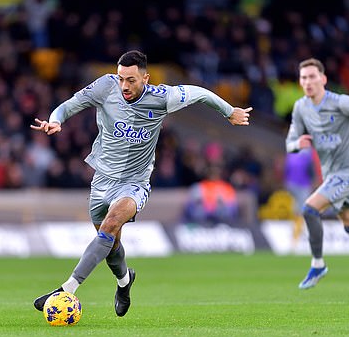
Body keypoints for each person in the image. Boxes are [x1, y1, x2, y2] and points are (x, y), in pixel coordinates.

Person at [31, 50, 252, 316]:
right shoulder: (105, 86)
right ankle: (124, 282)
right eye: (121, 78)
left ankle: (66, 289)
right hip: (102, 179)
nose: (124, 85)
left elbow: (201, 93)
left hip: (135, 182)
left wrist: (229, 112)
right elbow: (69, 105)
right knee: (110, 242)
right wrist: (55, 120)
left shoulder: (163, 98)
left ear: (145, 78)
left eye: (131, 80)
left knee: (111, 224)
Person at [286, 58, 349, 294]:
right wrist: (296, 144)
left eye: (313, 76)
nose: (308, 82)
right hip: (331, 175)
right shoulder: (301, 108)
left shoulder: (340, 102)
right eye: (304, 78)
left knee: (309, 209)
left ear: (323, 79)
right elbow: (290, 142)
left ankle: (318, 265)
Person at [283, 147, 321, 251]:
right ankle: (296, 239)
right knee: (302, 211)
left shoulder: (292, 151)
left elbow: (286, 168)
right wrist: (314, 181)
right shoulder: (309, 152)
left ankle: (295, 233)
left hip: (290, 184)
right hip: (302, 184)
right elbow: (310, 168)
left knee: (296, 210)